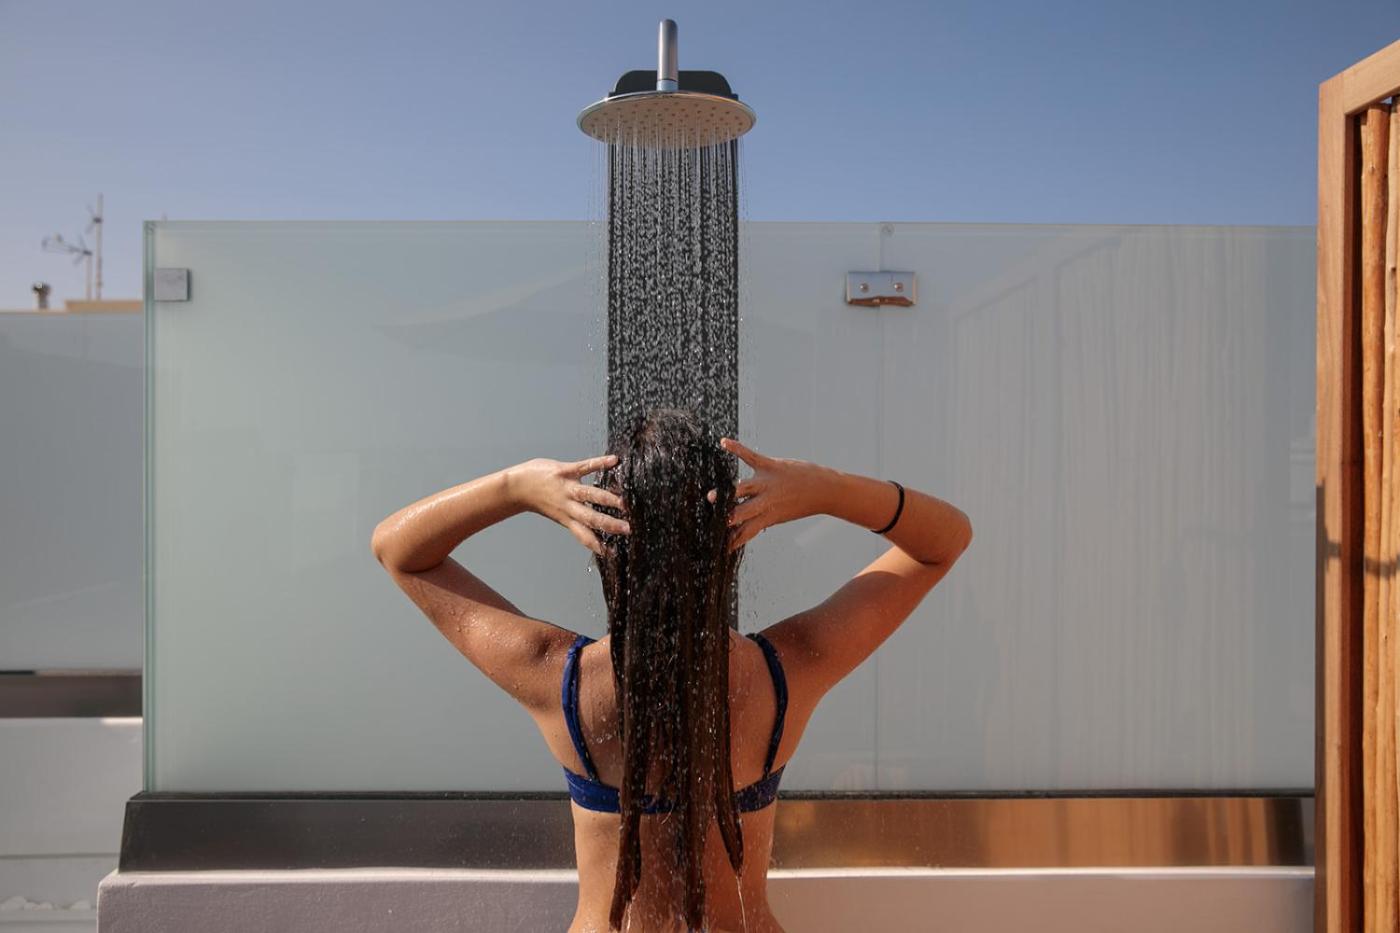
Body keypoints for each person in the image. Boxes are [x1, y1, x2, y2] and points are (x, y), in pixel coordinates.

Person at [371, 408, 972, 932]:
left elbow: (398, 550)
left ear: (602, 540)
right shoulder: (788, 670)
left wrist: (516, 487)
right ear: (733, 539)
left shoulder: (559, 678)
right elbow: (944, 541)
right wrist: (826, 490)